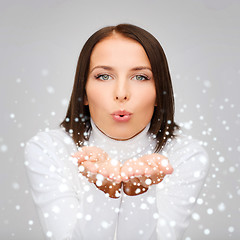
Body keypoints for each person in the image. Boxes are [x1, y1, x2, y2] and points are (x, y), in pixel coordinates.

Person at [24, 23, 210, 240]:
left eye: (140, 77)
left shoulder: (185, 155)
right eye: (104, 76)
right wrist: (102, 193)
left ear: (160, 92)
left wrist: (139, 194)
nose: (121, 93)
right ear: (83, 91)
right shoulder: (49, 150)